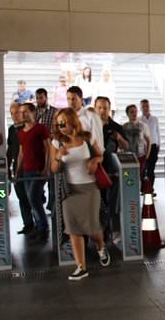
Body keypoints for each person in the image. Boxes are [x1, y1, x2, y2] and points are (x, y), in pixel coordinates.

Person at [49, 109, 111, 281]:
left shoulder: (86, 137)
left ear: (72, 121)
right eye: (58, 123)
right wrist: (58, 157)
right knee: (73, 228)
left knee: (91, 227)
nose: (60, 127)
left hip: (90, 188)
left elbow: (100, 156)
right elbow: (53, 169)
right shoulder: (57, 142)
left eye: (63, 122)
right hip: (70, 190)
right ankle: (81, 267)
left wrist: (94, 160)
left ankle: (100, 245)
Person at [95, 96, 128, 242]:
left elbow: (126, 146)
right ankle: (95, 232)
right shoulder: (88, 127)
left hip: (111, 173)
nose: (102, 111)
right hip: (93, 171)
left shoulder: (116, 127)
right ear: (95, 108)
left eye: (105, 108)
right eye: (99, 108)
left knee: (109, 203)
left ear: (110, 109)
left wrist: (119, 138)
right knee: (95, 203)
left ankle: (107, 230)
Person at [17, 103, 50, 239]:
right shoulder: (20, 132)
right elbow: (21, 153)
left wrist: (46, 168)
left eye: (25, 111)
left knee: (33, 198)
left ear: (33, 112)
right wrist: (17, 170)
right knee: (31, 199)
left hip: (38, 170)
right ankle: (39, 226)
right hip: (26, 170)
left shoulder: (41, 128)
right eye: (21, 112)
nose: (23, 114)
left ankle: (43, 227)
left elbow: (48, 148)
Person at [7, 102, 33, 236]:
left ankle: (39, 225)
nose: (14, 116)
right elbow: (10, 149)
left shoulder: (29, 128)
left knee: (32, 197)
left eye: (16, 112)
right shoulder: (12, 130)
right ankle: (28, 224)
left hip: (30, 167)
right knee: (22, 197)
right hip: (17, 167)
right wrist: (8, 167)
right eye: (11, 113)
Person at [122, 104, 151, 178]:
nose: (134, 114)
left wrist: (147, 155)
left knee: (139, 177)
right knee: (129, 177)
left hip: (140, 156)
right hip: (128, 157)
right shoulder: (123, 127)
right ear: (127, 114)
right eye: (131, 112)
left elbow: (148, 141)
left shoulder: (142, 126)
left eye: (135, 111)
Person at [139, 99, 161, 188]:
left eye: (147, 106)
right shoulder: (139, 120)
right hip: (143, 147)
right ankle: (144, 188)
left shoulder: (155, 119)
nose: (145, 108)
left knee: (151, 169)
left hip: (153, 147)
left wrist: (159, 144)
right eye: (143, 106)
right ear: (140, 107)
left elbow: (157, 132)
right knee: (143, 169)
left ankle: (150, 189)